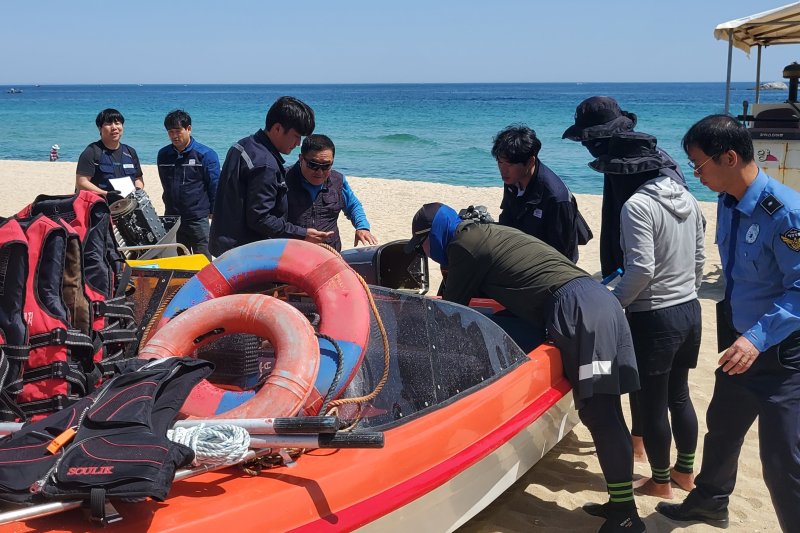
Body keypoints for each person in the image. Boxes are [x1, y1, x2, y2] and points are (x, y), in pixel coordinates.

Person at [405, 203, 643, 533]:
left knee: (601, 414)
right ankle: (620, 505)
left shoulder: (463, 245)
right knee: (604, 412)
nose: (425, 254)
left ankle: (627, 516)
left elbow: (448, 311)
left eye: (422, 246)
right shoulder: (484, 233)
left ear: (433, 235)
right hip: (594, 301)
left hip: (578, 310)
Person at [656, 114, 800, 531]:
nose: (696, 175)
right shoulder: (728, 201)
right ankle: (709, 503)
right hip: (741, 345)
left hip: (781, 354)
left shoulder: (786, 215)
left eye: (699, 165)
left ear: (730, 157)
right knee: (721, 431)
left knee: (782, 461)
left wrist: (755, 339)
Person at [563, 95, 688, 462]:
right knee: (669, 387)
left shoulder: (636, 165)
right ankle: (651, 450)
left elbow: (640, 245)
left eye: (590, 139)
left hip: (644, 285)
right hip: (661, 282)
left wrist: (618, 295)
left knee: (642, 378)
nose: (587, 145)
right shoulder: (634, 157)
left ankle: (646, 450)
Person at [590, 132, 704, 500]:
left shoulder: (637, 206)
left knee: (654, 403)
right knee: (680, 396)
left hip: (654, 316)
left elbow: (641, 270)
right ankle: (684, 471)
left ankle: (660, 481)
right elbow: (700, 259)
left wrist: (614, 302)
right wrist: (685, 291)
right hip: (689, 309)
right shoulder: (688, 197)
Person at [209, 96, 330, 257]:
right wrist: (302, 234)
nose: (298, 143)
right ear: (277, 128)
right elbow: (260, 219)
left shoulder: (242, 145)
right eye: (296, 136)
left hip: (224, 244)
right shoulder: (265, 164)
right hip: (245, 253)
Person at [492, 124, 591, 262]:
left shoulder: (556, 198)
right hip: (519, 251)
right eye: (500, 162)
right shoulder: (512, 180)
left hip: (547, 263)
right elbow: (507, 218)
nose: (503, 170)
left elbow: (563, 254)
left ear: (530, 162)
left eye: (509, 165)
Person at [286, 134, 377, 252]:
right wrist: (301, 234)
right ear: (301, 158)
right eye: (313, 165)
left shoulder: (338, 181)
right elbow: (268, 220)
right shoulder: (283, 180)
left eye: (326, 166)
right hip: (292, 253)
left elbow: (353, 206)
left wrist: (362, 227)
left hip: (330, 252)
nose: (319, 172)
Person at [156, 110, 220, 259]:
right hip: (172, 217)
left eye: (178, 131)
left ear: (189, 129)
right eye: (170, 132)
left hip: (197, 218)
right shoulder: (163, 155)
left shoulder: (206, 154)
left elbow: (215, 186)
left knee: (202, 261)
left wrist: (214, 211)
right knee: (177, 261)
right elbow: (165, 183)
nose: (174, 136)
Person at [76, 109, 144, 196]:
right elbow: (82, 183)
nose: (114, 127)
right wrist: (107, 194)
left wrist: (137, 190)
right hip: (101, 203)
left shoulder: (130, 151)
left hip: (128, 204)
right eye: (108, 124)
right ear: (100, 128)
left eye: (117, 123)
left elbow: (138, 178)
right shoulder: (92, 151)